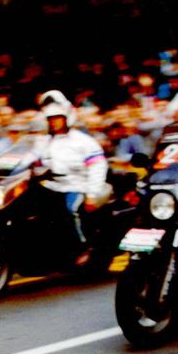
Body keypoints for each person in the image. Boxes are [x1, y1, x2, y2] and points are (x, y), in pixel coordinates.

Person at [38, 90, 109, 266]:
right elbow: (31, 161)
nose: (53, 122)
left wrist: (92, 193)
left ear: (66, 117)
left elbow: (98, 166)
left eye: (57, 118)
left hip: (77, 185)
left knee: (71, 210)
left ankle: (83, 247)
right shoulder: (45, 142)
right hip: (53, 185)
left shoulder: (83, 141)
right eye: (50, 119)